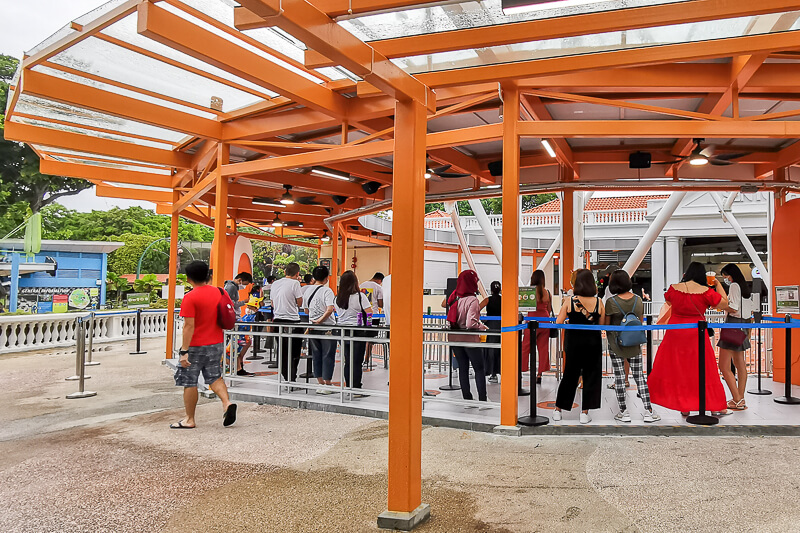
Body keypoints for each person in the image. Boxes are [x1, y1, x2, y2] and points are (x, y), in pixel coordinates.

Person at [647, 262, 730, 416]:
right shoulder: (705, 291)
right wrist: (717, 284)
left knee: (679, 369)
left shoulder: (674, 288)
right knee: (704, 368)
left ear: (687, 273)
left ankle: (684, 407)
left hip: (675, 333)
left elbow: (669, 302)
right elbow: (724, 303)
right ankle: (714, 405)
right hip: (696, 333)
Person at [171, 260, 236, 429]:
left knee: (190, 381)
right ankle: (227, 403)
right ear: (208, 275)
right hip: (216, 343)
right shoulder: (220, 292)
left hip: (196, 346)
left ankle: (189, 419)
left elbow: (188, 326)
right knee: (214, 376)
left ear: (188, 278)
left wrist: (184, 351)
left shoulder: (190, 297)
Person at [602, 270, 660, 423]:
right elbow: (639, 322)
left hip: (616, 345)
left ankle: (623, 412)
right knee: (639, 377)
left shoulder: (611, 302)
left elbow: (606, 326)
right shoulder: (638, 300)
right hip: (634, 344)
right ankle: (648, 411)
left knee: (620, 378)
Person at [553, 269, 604, 424]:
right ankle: (584, 413)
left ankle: (558, 410)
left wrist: (570, 321)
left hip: (573, 342)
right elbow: (601, 325)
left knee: (570, 375)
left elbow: (558, 322)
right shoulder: (599, 302)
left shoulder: (569, 301)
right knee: (591, 376)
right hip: (592, 343)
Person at [447, 270, 489, 402]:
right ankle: (482, 399)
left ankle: (467, 399)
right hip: (470, 339)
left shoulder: (454, 297)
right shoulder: (473, 300)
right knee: (479, 368)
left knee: (463, 368)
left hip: (455, 339)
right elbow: (471, 324)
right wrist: (482, 327)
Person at [717, 263, 753, 411]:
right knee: (740, 364)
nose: (725, 278)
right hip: (744, 325)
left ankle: (737, 399)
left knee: (723, 366)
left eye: (726, 275)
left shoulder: (734, 286)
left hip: (732, 325)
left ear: (731, 275)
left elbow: (733, 308)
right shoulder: (745, 288)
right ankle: (740, 398)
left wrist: (720, 305)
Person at [335, 271, 373, 398]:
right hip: (357, 331)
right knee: (357, 361)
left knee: (348, 360)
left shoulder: (337, 298)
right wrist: (368, 325)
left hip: (342, 331)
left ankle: (348, 386)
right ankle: (356, 388)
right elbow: (369, 312)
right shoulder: (360, 297)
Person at [303, 266, 337, 394]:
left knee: (316, 355)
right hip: (327, 328)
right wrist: (321, 320)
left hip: (312, 327)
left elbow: (306, 310)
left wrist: (315, 319)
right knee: (328, 355)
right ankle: (328, 384)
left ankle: (320, 383)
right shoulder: (327, 291)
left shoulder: (307, 291)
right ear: (327, 277)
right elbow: (329, 309)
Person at [270, 262, 304, 385]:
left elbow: (272, 303)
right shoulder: (295, 283)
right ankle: (292, 377)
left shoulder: (275, 283)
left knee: (282, 350)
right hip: (293, 321)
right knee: (294, 351)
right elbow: (300, 302)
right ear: (297, 273)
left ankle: (285, 375)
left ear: (285, 272)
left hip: (278, 320)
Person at [527, 269, 552, 384]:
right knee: (543, 348)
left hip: (531, 320)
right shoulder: (547, 292)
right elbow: (549, 309)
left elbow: (525, 308)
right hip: (545, 321)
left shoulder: (529, 292)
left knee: (525, 346)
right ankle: (539, 373)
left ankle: (522, 369)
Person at [480, 281, 502, 384]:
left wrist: (484, 320)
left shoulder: (488, 300)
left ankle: (492, 373)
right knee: (502, 349)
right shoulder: (503, 299)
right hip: (503, 326)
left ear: (491, 289)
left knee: (491, 350)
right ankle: (502, 371)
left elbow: (477, 308)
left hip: (491, 327)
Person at [234, 297, 261, 376]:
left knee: (240, 353)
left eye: (250, 307)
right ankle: (238, 368)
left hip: (244, 337)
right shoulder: (246, 317)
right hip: (240, 337)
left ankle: (240, 367)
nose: (248, 309)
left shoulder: (251, 317)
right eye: (247, 306)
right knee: (238, 352)